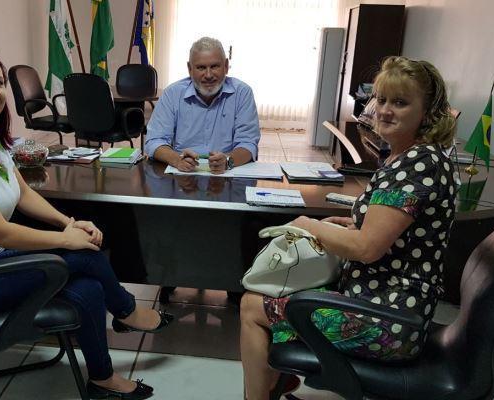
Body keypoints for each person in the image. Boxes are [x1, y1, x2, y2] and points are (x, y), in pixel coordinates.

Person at [0, 44, 173, 400]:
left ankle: (102, 379)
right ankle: (127, 311)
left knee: (89, 287)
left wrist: (67, 222)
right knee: (84, 255)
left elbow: (22, 193)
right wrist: (64, 240)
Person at [240, 56, 459, 399]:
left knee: (252, 307)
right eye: (382, 99)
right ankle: (275, 381)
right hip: (392, 304)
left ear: (428, 112)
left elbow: (366, 249)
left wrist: (308, 224)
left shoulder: (415, 166)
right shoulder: (424, 157)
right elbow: (396, 228)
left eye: (400, 103)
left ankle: (260, 394)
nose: (385, 110)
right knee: (270, 296)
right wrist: (355, 221)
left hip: (385, 320)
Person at [144, 36, 261, 175]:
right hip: (183, 174)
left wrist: (229, 160)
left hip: (227, 173)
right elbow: (154, 141)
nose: (208, 75)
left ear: (226, 66)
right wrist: (176, 159)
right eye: (201, 67)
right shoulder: (172, 93)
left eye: (215, 66)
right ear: (189, 69)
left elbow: (248, 143)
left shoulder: (242, 93)